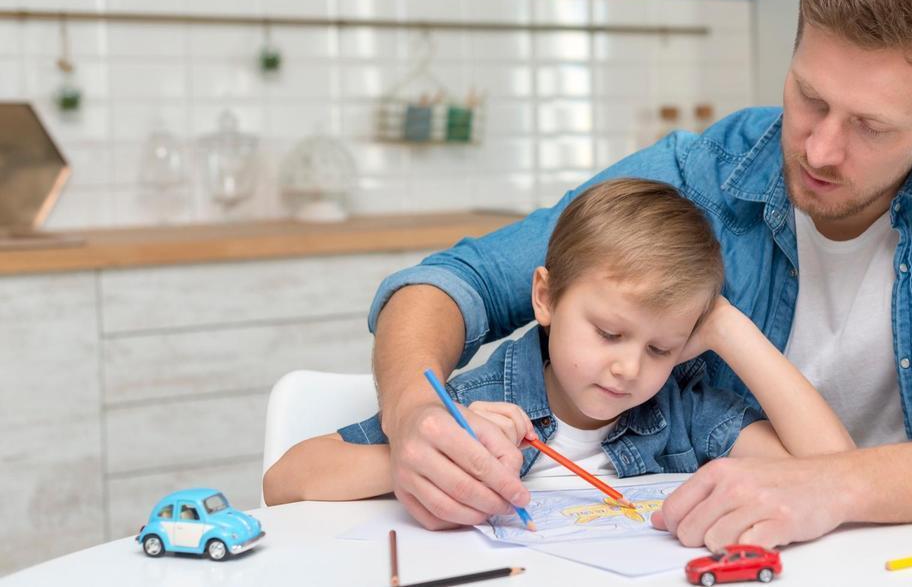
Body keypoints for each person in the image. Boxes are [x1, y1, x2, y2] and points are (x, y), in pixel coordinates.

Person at [368, 0, 912, 549]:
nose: (822, 149)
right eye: (809, 96)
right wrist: (413, 415)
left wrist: (832, 487)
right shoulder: (705, 171)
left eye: (870, 125)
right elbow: (453, 282)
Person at [262, 178, 853, 507]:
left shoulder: (683, 409)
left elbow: (838, 472)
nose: (627, 368)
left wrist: (729, 329)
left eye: (660, 349)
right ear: (544, 298)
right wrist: (435, 455)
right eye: (609, 333)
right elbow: (285, 481)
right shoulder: (480, 398)